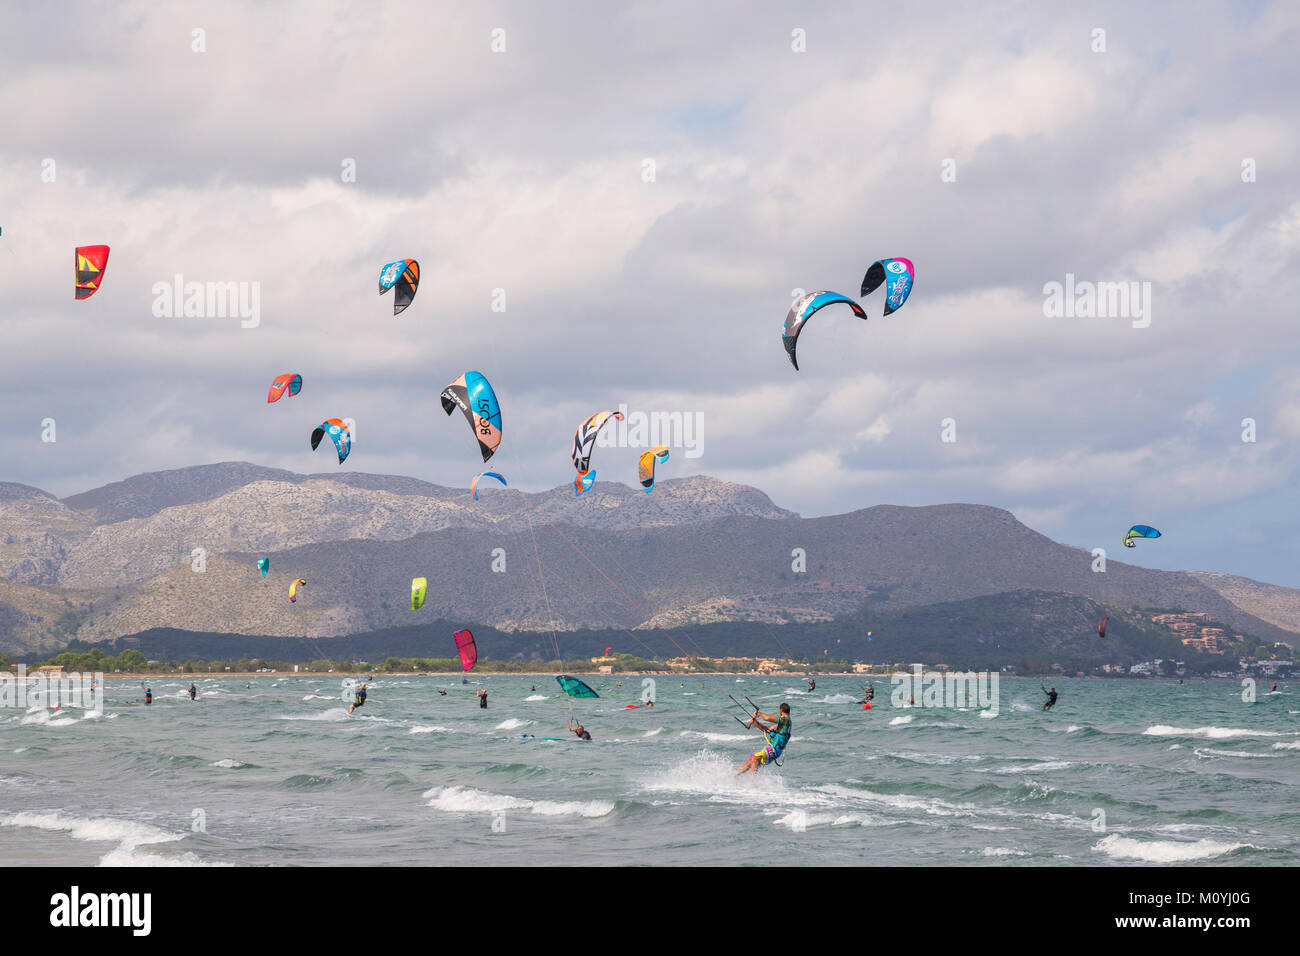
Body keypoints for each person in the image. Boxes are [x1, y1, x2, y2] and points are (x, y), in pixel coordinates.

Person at [735, 703, 792, 775]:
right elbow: (767, 729)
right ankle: (734, 776)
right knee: (751, 760)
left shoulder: (786, 720)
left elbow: (767, 718)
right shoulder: (782, 725)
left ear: (781, 711)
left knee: (755, 759)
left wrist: (759, 714)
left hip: (775, 750)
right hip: (772, 749)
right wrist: (755, 723)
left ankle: (750, 783)